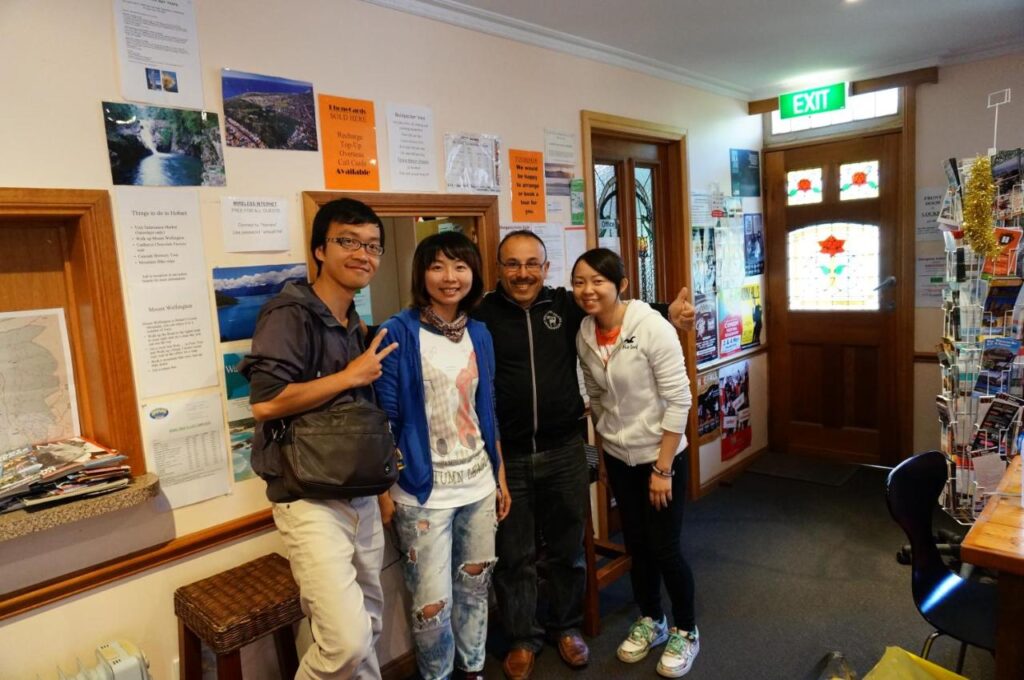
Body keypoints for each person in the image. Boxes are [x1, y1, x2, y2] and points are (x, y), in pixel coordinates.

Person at [472, 230, 695, 680]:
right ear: (499, 269)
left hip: (567, 450)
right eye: (512, 264)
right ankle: (522, 638)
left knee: (569, 548)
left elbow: (619, 307)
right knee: (513, 554)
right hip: (510, 455)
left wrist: (667, 311)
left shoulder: (566, 305)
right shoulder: (482, 315)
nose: (523, 273)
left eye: (532, 263)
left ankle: (567, 627)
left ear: (545, 268)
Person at [239, 198, 397, 679]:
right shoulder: (289, 313)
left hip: (360, 490)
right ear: (319, 250)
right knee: (345, 643)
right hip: (307, 496)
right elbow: (266, 402)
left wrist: (384, 491)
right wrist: (350, 375)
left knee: (367, 626)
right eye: (347, 241)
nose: (362, 254)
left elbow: (362, 414)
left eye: (372, 245)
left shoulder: (355, 323)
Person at [375, 231, 511, 680]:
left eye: (460, 266)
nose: (449, 277)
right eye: (437, 266)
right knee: (432, 606)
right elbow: (383, 417)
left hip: (478, 482)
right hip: (421, 493)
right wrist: (382, 492)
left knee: (475, 588)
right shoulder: (398, 332)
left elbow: (486, 407)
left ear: (473, 274)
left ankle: (472, 671)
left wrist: (500, 476)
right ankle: (438, 676)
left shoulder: (480, 333)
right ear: (422, 274)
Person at [572, 247, 699, 678]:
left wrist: (662, 469)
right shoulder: (584, 333)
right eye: (579, 282)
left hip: (661, 457)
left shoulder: (651, 327)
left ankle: (687, 629)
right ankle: (652, 620)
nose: (588, 290)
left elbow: (680, 398)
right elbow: (597, 398)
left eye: (598, 281)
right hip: (619, 458)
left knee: (665, 548)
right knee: (638, 545)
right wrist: (605, 455)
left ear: (621, 285)